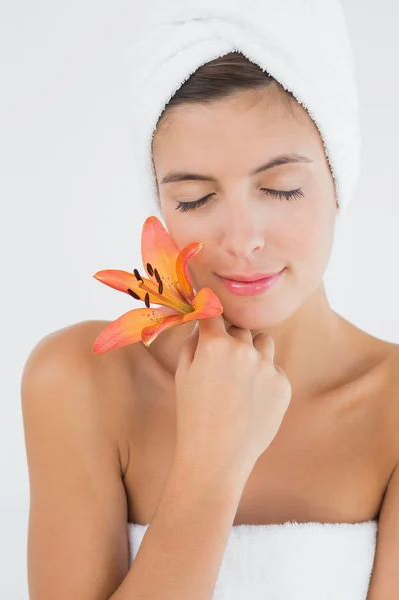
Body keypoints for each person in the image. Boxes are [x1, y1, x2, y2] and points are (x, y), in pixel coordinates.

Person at [21, 8, 399, 600]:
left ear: (338, 181)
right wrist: (211, 462)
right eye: (196, 199)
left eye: (281, 188)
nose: (241, 239)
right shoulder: (78, 379)